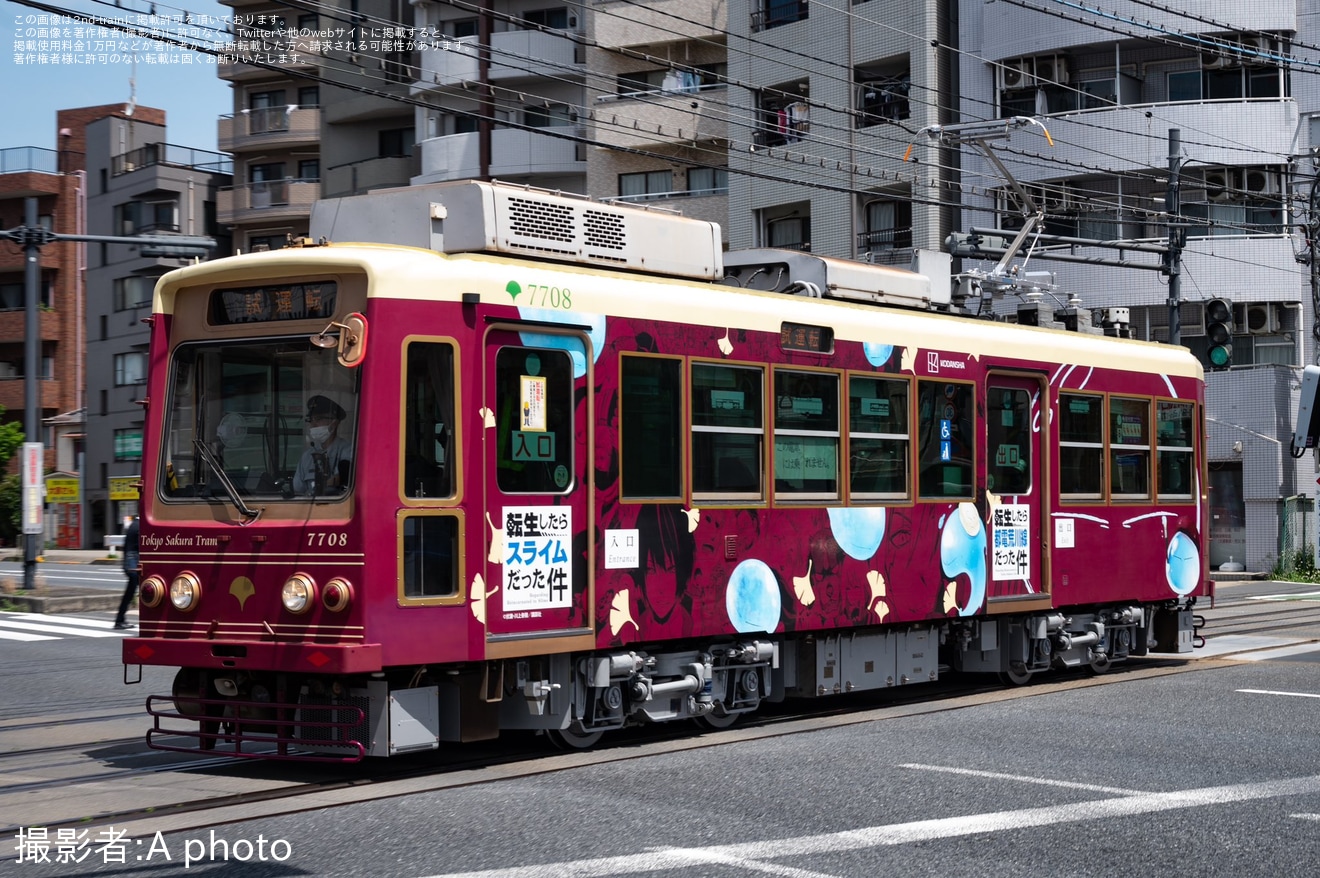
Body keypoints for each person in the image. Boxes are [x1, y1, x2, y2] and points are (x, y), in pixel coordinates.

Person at [292, 395, 352, 494]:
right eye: (311, 419)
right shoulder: (307, 457)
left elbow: (341, 480)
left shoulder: (348, 451)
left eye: (319, 419)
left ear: (335, 422)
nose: (313, 424)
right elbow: (298, 490)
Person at [114, 515, 141, 629]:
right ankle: (119, 620)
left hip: (129, 561)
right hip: (132, 562)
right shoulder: (139, 526)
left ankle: (120, 619)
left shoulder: (133, 525)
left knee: (131, 592)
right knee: (131, 592)